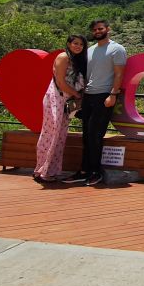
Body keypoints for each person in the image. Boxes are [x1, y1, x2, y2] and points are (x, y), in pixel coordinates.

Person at [63, 19, 126, 186]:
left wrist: (113, 94)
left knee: (95, 135)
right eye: (95, 29)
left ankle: (95, 171)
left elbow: (119, 74)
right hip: (89, 96)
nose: (97, 31)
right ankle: (84, 171)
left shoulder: (117, 49)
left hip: (104, 95)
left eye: (100, 28)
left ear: (108, 29)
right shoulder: (90, 50)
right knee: (86, 135)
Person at [34, 34, 87, 182]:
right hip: (57, 98)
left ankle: (51, 171)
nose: (78, 46)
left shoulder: (76, 60)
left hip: (65, 100)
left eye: (81, 44)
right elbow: (61, 82)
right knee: (51, 134)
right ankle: (42, 171)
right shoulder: (63, 57)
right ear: (69, 44)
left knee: (60, 135)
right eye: (75, 43)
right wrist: (77, 95)